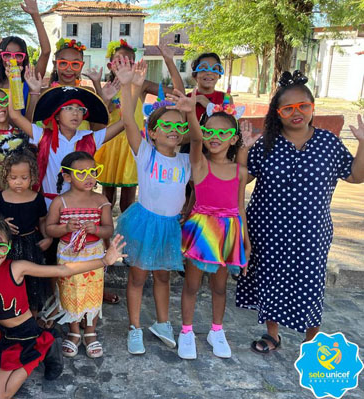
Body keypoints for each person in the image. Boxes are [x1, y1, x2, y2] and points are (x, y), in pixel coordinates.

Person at [0, 215, 126, 398]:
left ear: (9, 247)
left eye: (1, 246)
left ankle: (41, 348)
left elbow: (64, 269)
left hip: (23, 337)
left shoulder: (17, 268)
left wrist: (103, 260)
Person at [236, 71, 364, 352]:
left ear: (312, 107)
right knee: (271, 278)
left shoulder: (328, 144)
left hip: (312, 231)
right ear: (277, 112)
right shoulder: (267, 144)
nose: (296, 113)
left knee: (310, 282)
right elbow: (241, 179)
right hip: (268, 228)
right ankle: (273, 334)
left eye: (303, 106)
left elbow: (355, 175)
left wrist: (363, 144)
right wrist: (243, 150)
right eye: (288, 108)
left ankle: (311, 338)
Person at [113, 58, 190, 355]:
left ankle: (162, 322)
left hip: (170, 226)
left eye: (178, 125)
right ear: (153, 133)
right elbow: (130, 120)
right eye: (165, 125)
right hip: (144, 222)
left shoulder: (186, 160)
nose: (173, 129)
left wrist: (186, 112)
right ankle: (134, 327)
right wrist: (128, 84)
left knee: (163, 275)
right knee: (138, 275)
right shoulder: (145, 154)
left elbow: (197, 135)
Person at [165, 91, 250, 360]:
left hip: (229, 233)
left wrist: (246, 242)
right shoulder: (199, 165)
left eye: (223, 133)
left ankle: (217, 330)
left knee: (220, 287)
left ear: (234, 139)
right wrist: (191, 113)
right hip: (201, 232)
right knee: (191, 285)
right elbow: (198, 139)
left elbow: (240, 207)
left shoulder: (241, 171)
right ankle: (187, 331)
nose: (215, 137)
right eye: (209, 131)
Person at [95, 40, 184, 214]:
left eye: (130, 61)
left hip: (134, 145)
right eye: (119, 61)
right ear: (110, 65)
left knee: (128, 200)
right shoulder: (107, 87)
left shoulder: (140, 84)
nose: (125, 65)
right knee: (107, 198)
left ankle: (125, 235)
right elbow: (99, 119)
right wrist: (104, 96)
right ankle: (106, 239)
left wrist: (169, 61)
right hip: (111, 146)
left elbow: (178, 92)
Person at [8, 85, 125, 207]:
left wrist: (127, 86)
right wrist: (13, 76)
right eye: (69, 108)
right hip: (48, 204)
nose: (75, 113)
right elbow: (15, 115)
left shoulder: (89, 138)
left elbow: (124, 123)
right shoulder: (43, 136)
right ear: (57, 116)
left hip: (80, 206)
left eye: (80, 109)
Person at [45, 152, 114, 358]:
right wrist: (65, 227)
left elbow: (109, 229)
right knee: (70, 292)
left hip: (93, 253)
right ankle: (74, 331)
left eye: (92, 172)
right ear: (67, 177)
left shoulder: (101, 200)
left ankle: (90, 331)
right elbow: (50, 229)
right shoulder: (61, 202)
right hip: (68, 254)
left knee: (93, 291)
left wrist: (96, 230)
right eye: (81, 173)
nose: (89, 177)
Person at [0, 151, 52, 317]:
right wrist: (1, 224)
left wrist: (48, 238)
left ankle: (34, 315)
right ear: (6, 177)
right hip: (6, 247)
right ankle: (9, 312)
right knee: (7, 279)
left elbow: (42, 221)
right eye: (13, 177)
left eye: (24, 178)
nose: (18, 182)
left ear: (32, 177)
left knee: (33, 281)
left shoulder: (37, 198)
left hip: (31, 245)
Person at [189, 52, 226, 121]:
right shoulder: (187, 98)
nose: (209, 72)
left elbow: (228, 126)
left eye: (214, 69)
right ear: (195, 75)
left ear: (219, 75)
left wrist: (208, 105)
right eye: (203, 69)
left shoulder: (226, 98)